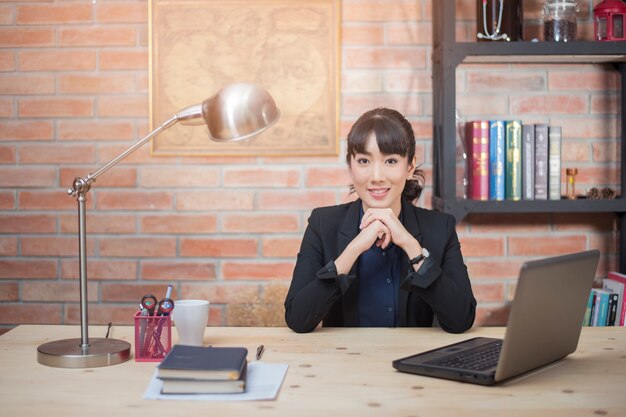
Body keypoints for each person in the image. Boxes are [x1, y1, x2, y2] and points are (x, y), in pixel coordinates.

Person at [284, 108, 476, 333]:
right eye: (364, 161)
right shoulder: (322, 223)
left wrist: (411, 246)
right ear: (350, 166)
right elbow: (297, 319)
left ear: (410, 167)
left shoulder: (439, 228)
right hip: (343, 361)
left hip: (413, 360)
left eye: (391, 161)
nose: (376, 176)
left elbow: (461, 319)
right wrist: (353, 249)